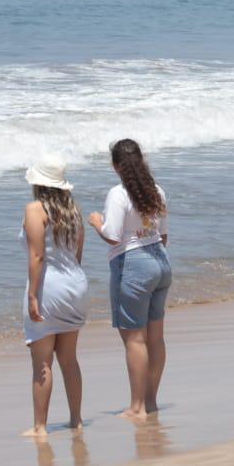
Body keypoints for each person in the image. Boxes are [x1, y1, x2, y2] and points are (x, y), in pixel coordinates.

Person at [87, 138, 171, 420]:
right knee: (156, 339)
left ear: (115, 166)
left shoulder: (119, 194)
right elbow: (165, 235)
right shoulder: (156, 190)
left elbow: (112, 234)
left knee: (135, 339)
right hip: (159, 260)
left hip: (133, 264)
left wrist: (95, 221)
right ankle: (150, 401)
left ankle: (136, 407)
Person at [20, 158, 87, 437]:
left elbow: (37, 255)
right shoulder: (74, 212)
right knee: (69, 359)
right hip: (75, 284)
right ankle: (76, 420)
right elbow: (78, 253)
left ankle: (40, 427)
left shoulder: (35, 210)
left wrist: (34, 295)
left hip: (50, 286)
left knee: (42, 361)